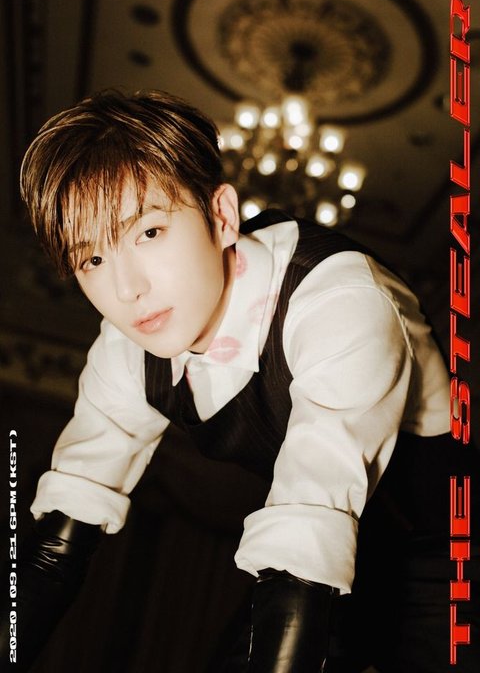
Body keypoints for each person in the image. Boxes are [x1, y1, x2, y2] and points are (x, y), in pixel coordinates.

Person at [1, 89, 478, 672]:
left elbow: (308, 540)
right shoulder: (128, 347)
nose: (127, 289)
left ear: (222, 216)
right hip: (319, 552)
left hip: (451, 557)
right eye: (92, 260)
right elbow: (53, 550)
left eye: (148, 232)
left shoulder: (339, 300)